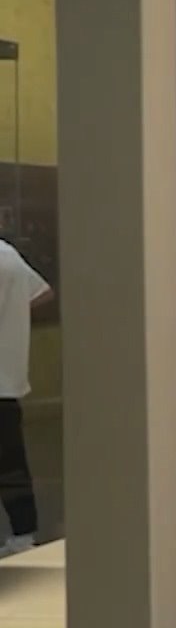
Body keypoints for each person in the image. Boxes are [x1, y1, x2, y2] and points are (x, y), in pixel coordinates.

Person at [0, 238, 50, 559]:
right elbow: (42, 292)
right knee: (11, 463)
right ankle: (23, 533)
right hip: (9, 377)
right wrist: (13, 315)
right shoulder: (9, 254)